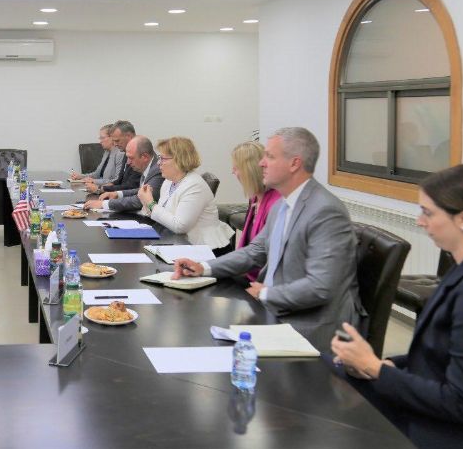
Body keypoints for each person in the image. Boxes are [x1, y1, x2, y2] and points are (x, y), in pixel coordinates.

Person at [330, 164, 463, 448]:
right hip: (431, 410)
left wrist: (376, 368)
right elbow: (436, 354)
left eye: (428, 213)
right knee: (329, 370)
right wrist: (387, 364)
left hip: (450, 435)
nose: (419, 221)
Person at [173, 127, 362, 342]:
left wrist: (266, 294)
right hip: (274, 308)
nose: (261, 163)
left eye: (270, 157)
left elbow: (321, 286)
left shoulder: (325, 211)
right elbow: (256, 251)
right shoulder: (282, 204)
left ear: (294, 163)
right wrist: (203, 267)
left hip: (308, 324)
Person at [138, 137, 232, 255]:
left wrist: (151, 204)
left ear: (179, 160)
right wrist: (146, 202)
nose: (158, 162)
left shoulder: (194, 185)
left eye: (163, 158)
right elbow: (163, 216)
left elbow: (180, 226)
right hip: (179, 244)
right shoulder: (169, 182)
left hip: (206, 251)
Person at [232, 140, 282, 282]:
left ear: (249, 170)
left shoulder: (276, 204)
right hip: (250, 274)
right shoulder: (255, 198)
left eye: (236, 167)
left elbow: (268, 257)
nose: (233, 171)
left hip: (264, 283)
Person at [84, 136, 162, 212]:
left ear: (145, 157)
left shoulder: (157, 171)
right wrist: (118, 194)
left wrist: (104, 204)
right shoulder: (148, 166)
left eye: (131, 158)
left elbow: (140, 200)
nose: (128, 162)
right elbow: (141, 191)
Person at [85, 120, 140, 194]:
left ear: (129, 136)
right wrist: (101, 188)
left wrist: (100, 189)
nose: (115, 144)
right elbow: (118, 181)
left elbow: (130, 186)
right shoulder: (125, 152)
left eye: (117, 140)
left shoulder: (138, 153)